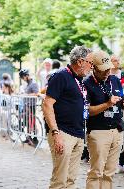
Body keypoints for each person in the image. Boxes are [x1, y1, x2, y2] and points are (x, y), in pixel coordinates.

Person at [42, 46, 93, 189]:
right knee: (60, 180)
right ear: (81, 61)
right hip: (63, 133)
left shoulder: (79, 79)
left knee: (71, 180)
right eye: (90, 63)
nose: (92, 67)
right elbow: (47, 105)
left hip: (77, 133)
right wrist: (56, 133)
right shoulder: (61, 75)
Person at [84, 50, 124, 189]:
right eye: (103, 70)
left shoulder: (115, 80)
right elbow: (87, 110)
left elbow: (121, 103)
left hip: (116, 129)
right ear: (94, 67)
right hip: (98, 131)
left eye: (108, 69)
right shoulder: (87, 83)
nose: (106, 72)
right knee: (96, 172)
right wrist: (107, 104)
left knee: (109, 172)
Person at [19, 69, 39, 146]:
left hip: (31, 106)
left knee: (32, 122)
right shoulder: (27, 84)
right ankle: (28, 138)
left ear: (26, 76)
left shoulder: (33, 83)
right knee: (27, 122)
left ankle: (35, 139)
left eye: (22, 77)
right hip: (26, 105)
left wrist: (26, 95)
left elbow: (37, 93)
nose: (22, 79)